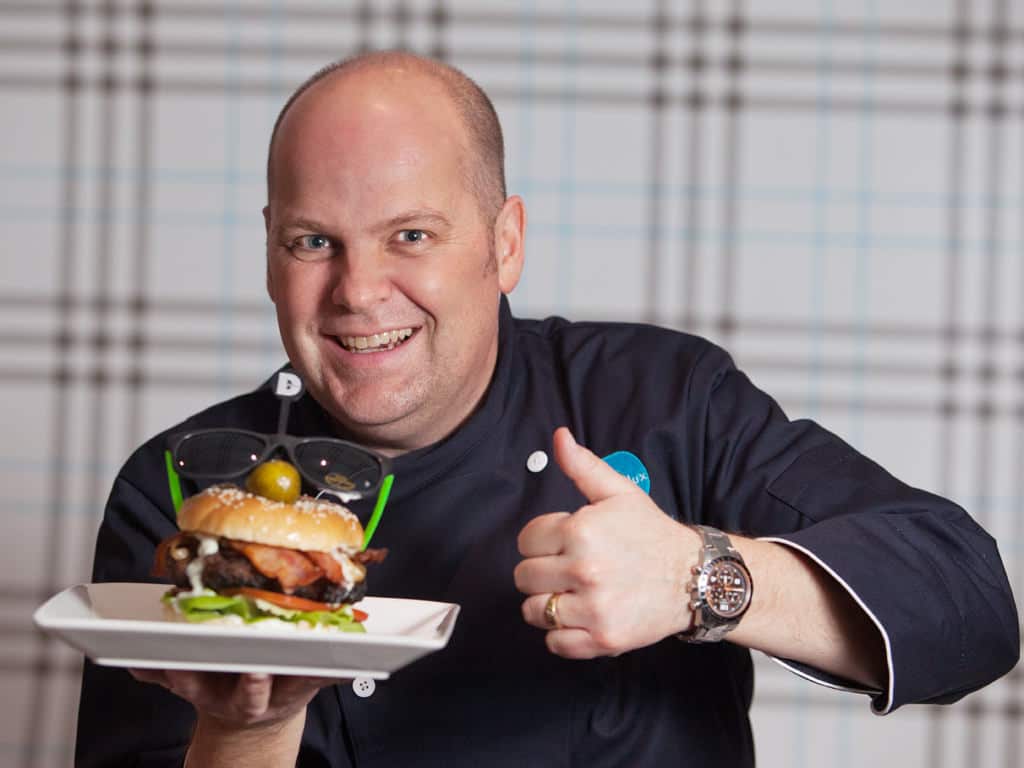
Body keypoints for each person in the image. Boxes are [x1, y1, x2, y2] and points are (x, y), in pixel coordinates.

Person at [76, 51, 1019, 767]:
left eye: (412, 234)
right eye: (314, 241)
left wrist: (702, 578)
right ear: (271, 255)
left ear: (505, 243)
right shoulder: (188, 489)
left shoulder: (659, 399)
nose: (359, 291)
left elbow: (970, 606)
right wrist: (259, 719)